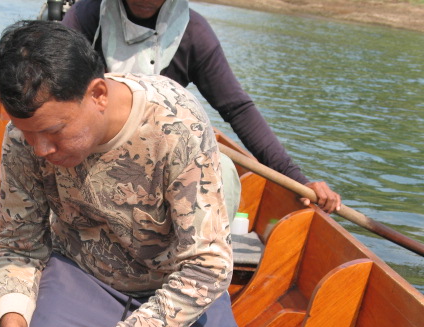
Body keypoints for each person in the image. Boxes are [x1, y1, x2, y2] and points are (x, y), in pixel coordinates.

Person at [0, 20, 252, 327]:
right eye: (28, 133)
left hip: (173, 283)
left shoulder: (176, 123)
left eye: (54, 133)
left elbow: (207, 266)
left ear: (98, 95)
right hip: (87, 273)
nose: (39, 150)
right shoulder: (25, 135)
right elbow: (18, 244)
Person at [62, 0, 342, 213]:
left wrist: (296, 178)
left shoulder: (192, 32)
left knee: (225, 171)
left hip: (159, 155)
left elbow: (237, 108)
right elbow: (54, 90)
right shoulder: (85, 17)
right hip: (90, 149)